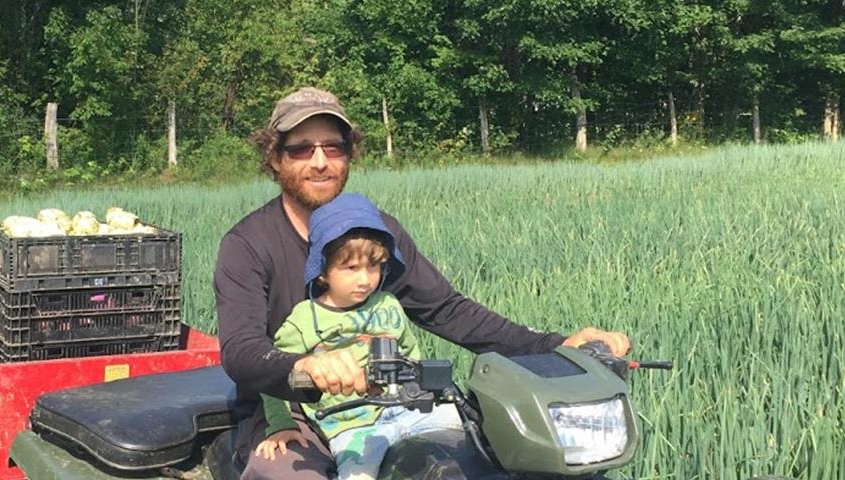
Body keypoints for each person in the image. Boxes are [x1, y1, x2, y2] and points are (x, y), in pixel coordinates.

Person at [214, 86, 631, 479]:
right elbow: (243, 351)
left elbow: (446, 309)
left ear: (348, 154)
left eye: (333, 147)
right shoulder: (248, 244)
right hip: (290, 412)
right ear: (275, 158)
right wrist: (304, 366)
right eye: (301, 149)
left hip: (388, 404)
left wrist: (552, 346)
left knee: (480, 455)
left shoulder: (376, 233)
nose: (320, 162)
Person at [253, 193, 464, 480]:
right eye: (351, 268)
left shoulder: (388, 305)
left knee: (470, 440)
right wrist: (280, 425)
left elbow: (411, 357)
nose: (365, 279)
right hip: (352, 427)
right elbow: (273, 377)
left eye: (373, 267)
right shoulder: (305, 319)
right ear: (323, 271)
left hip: (408, 411)